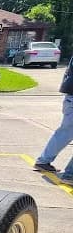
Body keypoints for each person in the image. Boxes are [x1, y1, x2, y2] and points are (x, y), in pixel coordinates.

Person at [34, 56, 73, 185]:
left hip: (70, 98)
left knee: (64, 133)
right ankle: (70, 174)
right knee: (65, 132)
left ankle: (43, 161)